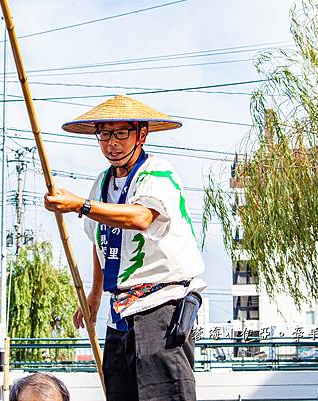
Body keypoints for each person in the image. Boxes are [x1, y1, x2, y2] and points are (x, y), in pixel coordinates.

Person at [44, 95, 206, 401]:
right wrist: (93, 296)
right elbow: (99, 241)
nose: (112, 144)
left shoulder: (158, 173)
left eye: (121, 134)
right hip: (119, 310)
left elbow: (141, 217)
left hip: (162, 304)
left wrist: (80, 204)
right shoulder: (102, 182)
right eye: (105, 134)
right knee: (120, 392)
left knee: (164, 394)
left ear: (140, 135)